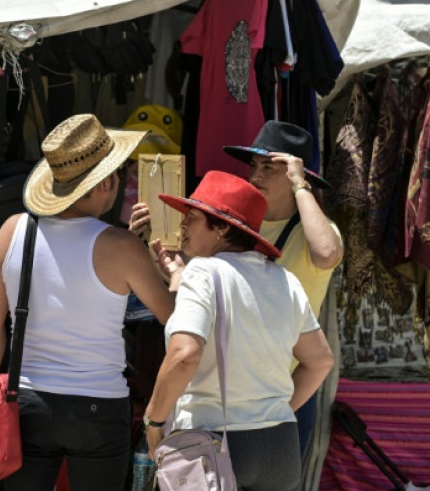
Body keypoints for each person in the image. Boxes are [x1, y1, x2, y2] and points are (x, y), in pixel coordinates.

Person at [0, 113, 183, 491]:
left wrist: (2, 385)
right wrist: (172, 265)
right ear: (105, 182)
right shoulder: (121, 246)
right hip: (98, 407)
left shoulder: (12, 231)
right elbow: (174, 315)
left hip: (27, 400)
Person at [130, 120, 343, 456]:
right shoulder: (228, 227)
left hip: (286, 390)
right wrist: (149, 250)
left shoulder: (312, 230)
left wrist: (302, 185)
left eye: (269, 168)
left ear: (294, 174)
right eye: (254, 167)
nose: (256, 176)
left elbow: (327, 253)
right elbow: (189, 306)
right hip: (224, 395)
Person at [142, 170, 334, 491]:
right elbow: (321, 361)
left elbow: (185, 355)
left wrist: (155, 419)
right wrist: (276, 410)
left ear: (220, 227)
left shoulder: (202, 271)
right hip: (279, 447)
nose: (182, 227)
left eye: (192, 218)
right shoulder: (284, 279)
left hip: (213, 442)